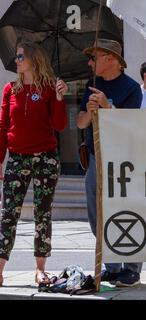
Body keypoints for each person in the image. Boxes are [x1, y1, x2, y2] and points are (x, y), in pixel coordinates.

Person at [0, 41, 68, 286]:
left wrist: (60, 98)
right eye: (17, 57)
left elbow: (60, 125)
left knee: (42, 214)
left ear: (33, 59)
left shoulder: (50, 88)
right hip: (17, 159)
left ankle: (40, 269)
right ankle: (0, 268)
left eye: (20, 57)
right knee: (8, 214)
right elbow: (3, 127)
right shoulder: (10, 89)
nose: (16, 61)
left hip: (46, 158)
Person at [77, 38, 143, 287]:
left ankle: (132, 268)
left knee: (127, 212)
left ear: (111, 59)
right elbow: (80, 122)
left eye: (94, 57)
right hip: (96, 156)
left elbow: (130, 125)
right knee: (97, 213)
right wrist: (91, 113)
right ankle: (112, 265)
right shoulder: (91, 85)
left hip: (124, 159)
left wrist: (107, 105)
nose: (90, 62)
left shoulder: (131, 87)